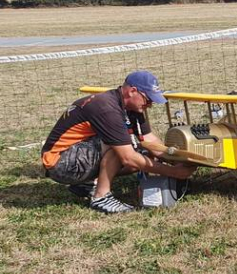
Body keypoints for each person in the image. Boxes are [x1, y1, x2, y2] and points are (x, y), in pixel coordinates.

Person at [41, 70, 195, 214]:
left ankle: (88, 183)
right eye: (147, 99)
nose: (150, 104)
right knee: (121, 146)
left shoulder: (131, 107)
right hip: (60, 163)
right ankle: (101, 197)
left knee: (143, 153)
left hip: (76, 154)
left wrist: (179, 159)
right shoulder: (107, 108)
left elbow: (150, 140)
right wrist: (174, 172)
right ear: (132, 91)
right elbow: (128, 157)